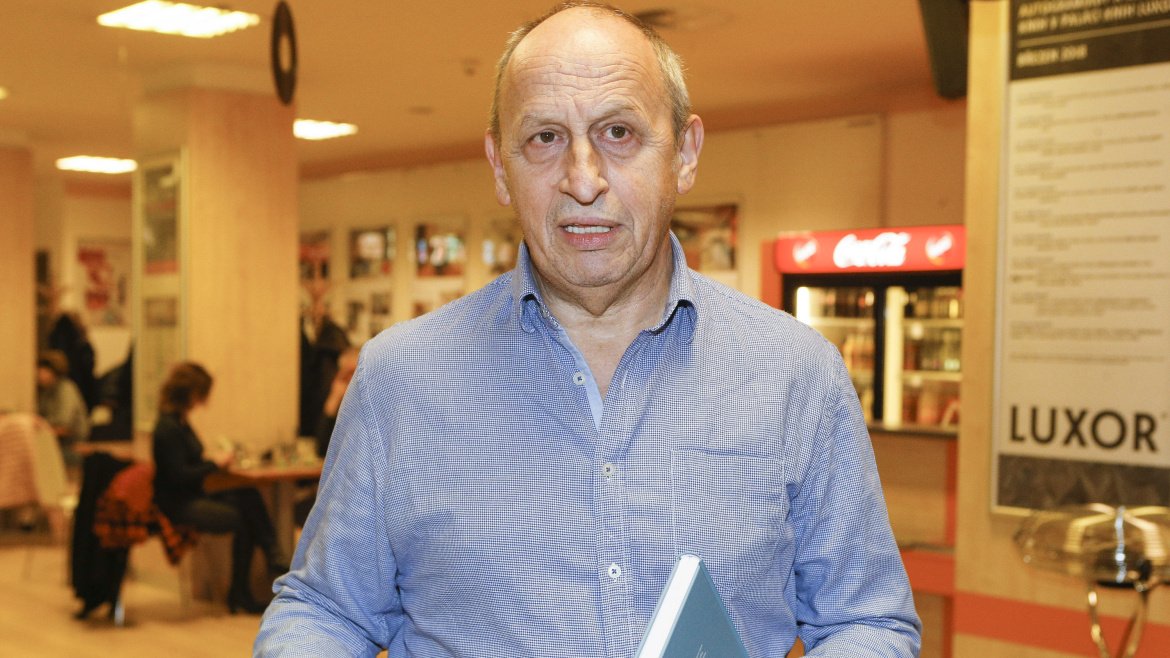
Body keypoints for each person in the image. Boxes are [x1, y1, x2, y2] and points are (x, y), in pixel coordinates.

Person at [256, 3, 921, 656]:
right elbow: (325, 609)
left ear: (685, 153)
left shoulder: (796, 374)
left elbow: (867, 620)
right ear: (500, 166)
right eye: (545, 138)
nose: (582, 180)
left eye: (619, 133)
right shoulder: (400, 378)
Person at [151, 362, 286, 615]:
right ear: (192, 393)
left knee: (248, 495)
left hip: (191, 494)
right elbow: (179, 476)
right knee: (244, 518)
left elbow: (187, 466)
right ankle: (256, 575)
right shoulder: (168, 428)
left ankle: (261, 569)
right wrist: (213, 464)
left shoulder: (179, 422)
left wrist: (212, 463)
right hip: (178, 504)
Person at [36, 350, 90, 468]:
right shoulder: (44, 391)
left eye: (43, 369)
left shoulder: (65, 389)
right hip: (52, 443)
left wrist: (40, 428)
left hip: (71, 446)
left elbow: (64, 427)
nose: (38, 373)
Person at [314, 347, 360, 459]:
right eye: (349, 373)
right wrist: (334, 398)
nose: (353, 379)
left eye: (358, 372)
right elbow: (322, 450)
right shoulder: (340, 407)